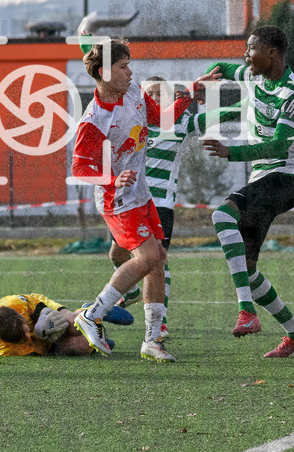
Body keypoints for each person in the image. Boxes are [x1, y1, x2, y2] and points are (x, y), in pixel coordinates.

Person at [71, 36, 218, 362]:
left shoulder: (134, 92)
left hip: (140, 195)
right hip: (116, 200)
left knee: (157, 258)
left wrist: (191, 92)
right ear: (104, 72)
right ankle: (92, 314)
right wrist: (112, 178)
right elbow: (80, 167)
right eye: (123, 67)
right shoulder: (95, 119)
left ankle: (152, 340)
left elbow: (164, 120)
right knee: (148, 257)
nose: (130, 72)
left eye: (129, 65)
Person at [201, 25, 294, 358]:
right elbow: (224, 69)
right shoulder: (254, 76)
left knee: (223, 215)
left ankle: (247, 313)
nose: (246, 55)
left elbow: (280, 147)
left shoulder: (292, 91)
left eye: (252, 49)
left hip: (285, 178)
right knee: (247, 268)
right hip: (262, 181)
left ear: (272, 54)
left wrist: (231, 152)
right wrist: (203, 81)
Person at [106, 76, 242, 343]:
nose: (156, 98)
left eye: (161, 94)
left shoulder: (179, 124)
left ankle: (161, 323)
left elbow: (213, 117)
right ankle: (132, 291)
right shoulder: (131, 122)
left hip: (159, 205)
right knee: (116, 253)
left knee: (157, 262)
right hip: (128, 203)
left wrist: (246, 105)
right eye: (151, 94)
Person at [0, 293, 130, 357]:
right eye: (22, 338)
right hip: (46, 342)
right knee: (82, 346)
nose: (28, 336)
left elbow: (38, 300)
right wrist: (46, 338)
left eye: (26, 330)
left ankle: (90, 311)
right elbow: (40, 350)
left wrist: (48, 314)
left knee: (72, 321)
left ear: (20, 316)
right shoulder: (1, 348)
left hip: (43, 315)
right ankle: (96, 337)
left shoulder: (16, 303)